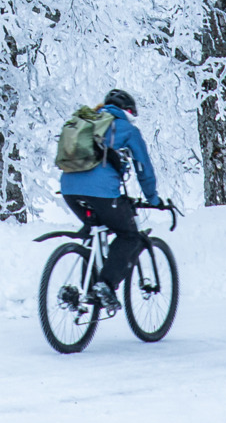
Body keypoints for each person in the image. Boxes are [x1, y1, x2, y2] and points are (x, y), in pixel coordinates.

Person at [58, 87, 159, 314]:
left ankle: (84, 289)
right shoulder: (127, 128)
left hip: (69, 190)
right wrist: (153, 197)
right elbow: (142, 167)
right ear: (127, 111)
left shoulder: (86, 121)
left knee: (95, 227)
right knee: (129, 235)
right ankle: (105, 285)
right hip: (102, 193)